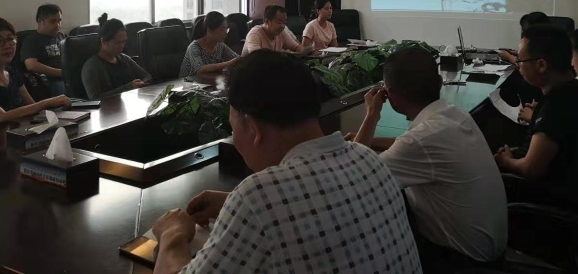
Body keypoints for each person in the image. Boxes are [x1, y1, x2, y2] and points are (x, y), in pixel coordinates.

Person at [151, 50, 421, 274]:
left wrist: (172, 235)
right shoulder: (368, 159)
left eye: (234, 128)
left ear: (253, 128)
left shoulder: (258, 197)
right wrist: (232, 203)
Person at [351, 48, 507, 270]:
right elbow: (411, 143)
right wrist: (372, 141)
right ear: (440, 83)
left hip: (460, 262)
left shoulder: (419, 141)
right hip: (491, 250)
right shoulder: (456, 115)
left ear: (391, 94)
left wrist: (371, 114)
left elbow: (355, 178)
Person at [495, 25, 578, 189]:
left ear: (541, 65)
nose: (519, 65)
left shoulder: (557, 106)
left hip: (541, 193)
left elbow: (530, 169)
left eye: (520, 60)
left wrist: (505, 161)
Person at [0, 17, 71, 129]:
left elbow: (32, 107)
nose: (7, 45)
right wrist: (48, 102)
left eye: (10, 39)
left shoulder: (12, 72)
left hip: (16, 134)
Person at [81, 15, 152, 99]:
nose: (122, 46)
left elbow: (147, 76)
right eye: (117, 43)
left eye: (124, 42)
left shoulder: (124, 58)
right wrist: (129, 87)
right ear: (103, 41)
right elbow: (95, 98)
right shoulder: (92, 66)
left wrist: (142, 83)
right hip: (109, 107)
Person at [21, 4, 66, 95]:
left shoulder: (61, 36)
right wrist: (60, 73)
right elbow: (31, 65)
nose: (57, 25)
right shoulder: (32, 40)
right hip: (50, 80)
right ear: (40, 21)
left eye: (59, 21)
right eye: (53, 21)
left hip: (66, 75)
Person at [179, 11, 238, 77]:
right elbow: (200, 70)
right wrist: (229, 63)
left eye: (226, 30)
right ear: (209, 29)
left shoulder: (220, 46)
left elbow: (237, 59)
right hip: (187, 82)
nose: (225, 33)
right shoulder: (194, 47)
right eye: (221, 29)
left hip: (207, 81)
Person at [241, 5, 311, 56]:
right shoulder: (255, 34)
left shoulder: (281, 32)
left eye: (284, 23)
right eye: (279, 22)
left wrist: (304, 52)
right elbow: (257, 59)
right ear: (267, 21)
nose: (283, 26)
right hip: (250, 69)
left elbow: (296, 47)